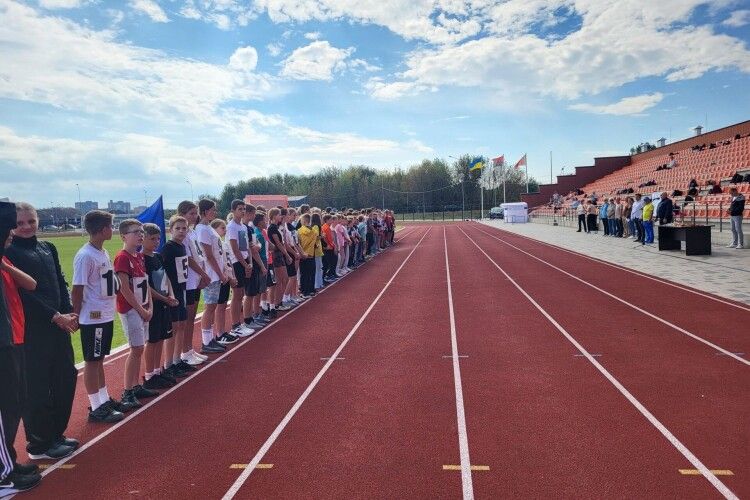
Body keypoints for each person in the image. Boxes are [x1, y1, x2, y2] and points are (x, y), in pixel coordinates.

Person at [6, 202, 79, 460]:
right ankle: (39, 443)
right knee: (37, 387)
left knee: (65, 378)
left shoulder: (48, 247)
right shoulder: (10, 253)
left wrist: (69, 311)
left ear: (38, 221)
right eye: (20, 223)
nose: (26, 227)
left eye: (31, 221)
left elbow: (60, 280)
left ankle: (56, 434)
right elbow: (21, 295)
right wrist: (53, 315)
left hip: (59, 326)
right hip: (31, 331)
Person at [0, 201, 43, 494]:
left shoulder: (5, 261)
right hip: (4, 342)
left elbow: (31, 284)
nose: (13, 234)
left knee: (12, 405)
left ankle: (8, 462)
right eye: (9, 230)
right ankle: (3, 475)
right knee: (4, 411)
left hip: (14, 338)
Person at [71, 210, 125, 424]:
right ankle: (96, 406)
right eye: (110, 227)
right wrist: (75, 315)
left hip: (104, 314)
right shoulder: (85, 256)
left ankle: (103, 400)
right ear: (103, 229)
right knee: (92, 362)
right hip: (92, 317)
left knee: (100, 359)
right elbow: (78, 288)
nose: (112, 230)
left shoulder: (101, 252)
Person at [114, 219, 156, 410]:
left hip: (143, 308)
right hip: (131, 309)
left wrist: (150, 307)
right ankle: (127, 391)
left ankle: (135, 386)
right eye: (135, 232)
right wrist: (140, 309)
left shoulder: (138, 257)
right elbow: (124, 288)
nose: (140, 235)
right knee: (136, 348)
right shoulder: (122, 257)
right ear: (124, 236)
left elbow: (145, 283)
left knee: (140, 348)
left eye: (141, 232)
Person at [141, 223, 179, 391]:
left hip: (164, 301)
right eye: (152, 239)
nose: (156, 242)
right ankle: (149, 375)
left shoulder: (157, 256)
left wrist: (170, 294)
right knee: (153, 339)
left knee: (162, 337)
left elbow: (166, 277)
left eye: (158, 239)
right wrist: (164, 298)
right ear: (143, 239)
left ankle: (157, 371)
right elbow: (146, 285)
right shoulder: (142, 259)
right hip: (153, 303)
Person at [195, 199, 235, 349]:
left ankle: (210, 338)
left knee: (212, 306)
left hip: (216, 273)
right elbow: (208, 255)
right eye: (213, 209)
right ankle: (206, 341)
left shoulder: (207, 228)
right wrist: (220, 273)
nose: (215, 212)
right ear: (205, 211)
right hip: (211, 274)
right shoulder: (202, 229)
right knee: (210, 307)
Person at [160, 216, 191, 377]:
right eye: (177, 228)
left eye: (184, 228)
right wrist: (168, 293)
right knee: (174, 328)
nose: (181, 231)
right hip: (172, 292)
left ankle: (177, 360)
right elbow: (162, 273)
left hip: (182, 290)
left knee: (181, 325)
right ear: (170, 230)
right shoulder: (168, 248)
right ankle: (169, 363)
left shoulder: (182, 246)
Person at [225, 200, 254, 339]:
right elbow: (234, 248)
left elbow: (246, 246)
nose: (242, 211)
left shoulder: (242, 226)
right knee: (236, 296)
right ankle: (235, 325)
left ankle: (239, 323)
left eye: (244, 209)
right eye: (239, 209)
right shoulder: (231, 227)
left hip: (244, 261)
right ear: (233, 211)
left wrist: (249, 263)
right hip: (237, 263)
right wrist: (244, 264)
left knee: (241, 293)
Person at [297, 214, 317, 297]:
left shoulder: (299, 231)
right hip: (311, 254)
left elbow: (298, 243)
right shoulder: (314, 232)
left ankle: (304, 291)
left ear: (304, 221)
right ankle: (311, 289)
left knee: (304, 274)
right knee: (311, 273)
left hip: (303, 254)